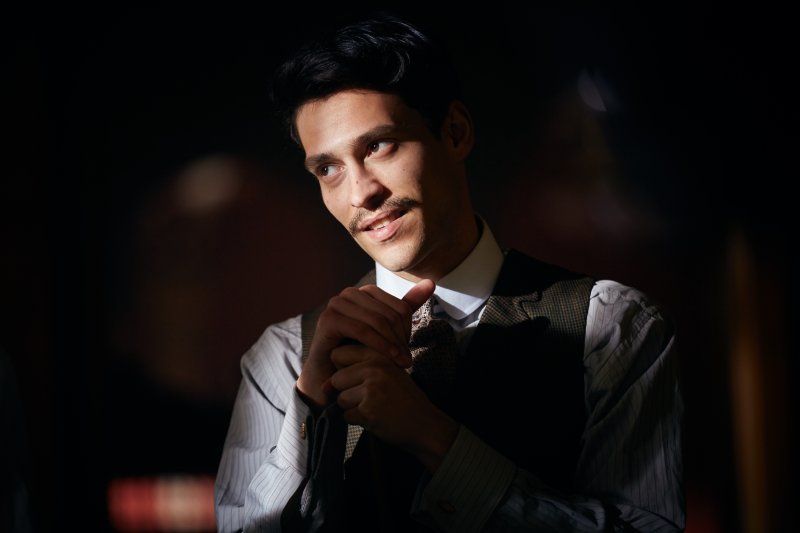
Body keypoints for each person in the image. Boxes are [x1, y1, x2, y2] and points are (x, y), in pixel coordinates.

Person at [214, 12, 684, 533]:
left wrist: (433, 438)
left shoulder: (613, 327)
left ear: (455, 132)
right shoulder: (282, 358)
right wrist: (308, 404)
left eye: (378, 145)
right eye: (328, 168)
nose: (360, 193)